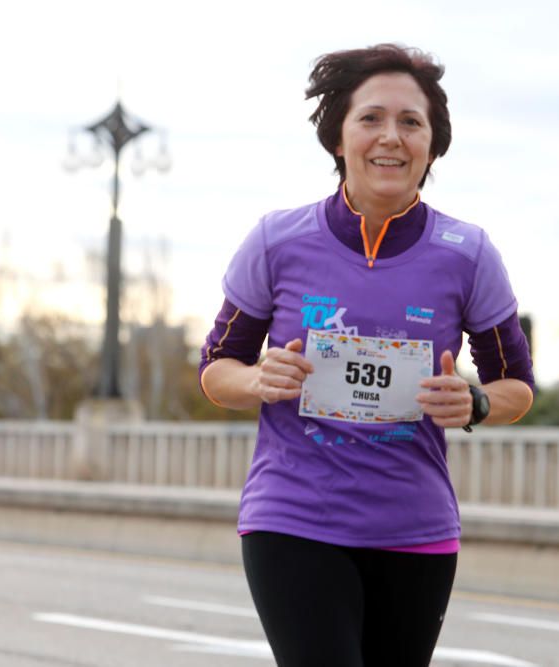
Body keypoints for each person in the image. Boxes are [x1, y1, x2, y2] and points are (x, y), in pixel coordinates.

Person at [199, 43, 535, 667]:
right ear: (338, 138)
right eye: (371, 118)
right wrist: (258, 380)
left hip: (415, 530)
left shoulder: (469, 254)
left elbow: (517, 386)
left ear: (433, 146)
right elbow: (216, 370)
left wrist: (477, 400)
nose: (392, 137)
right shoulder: (277, 241)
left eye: (411, 122)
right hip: (293, 519)